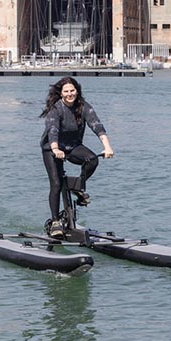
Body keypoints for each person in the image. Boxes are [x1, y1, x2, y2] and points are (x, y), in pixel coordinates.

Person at [40, 77, 114, 237]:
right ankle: (55, 222)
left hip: (73, 146)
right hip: (51, 148)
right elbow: (53, 130)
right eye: (66, 91)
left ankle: (78, 187)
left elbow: (97, 125)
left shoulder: (83, 106)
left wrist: (107, 146)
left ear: (77, 91)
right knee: (56, 183)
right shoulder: (56, 109)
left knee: (92, 159)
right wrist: (55, 148)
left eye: (72, 90)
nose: (69, 94)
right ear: (61, 93)